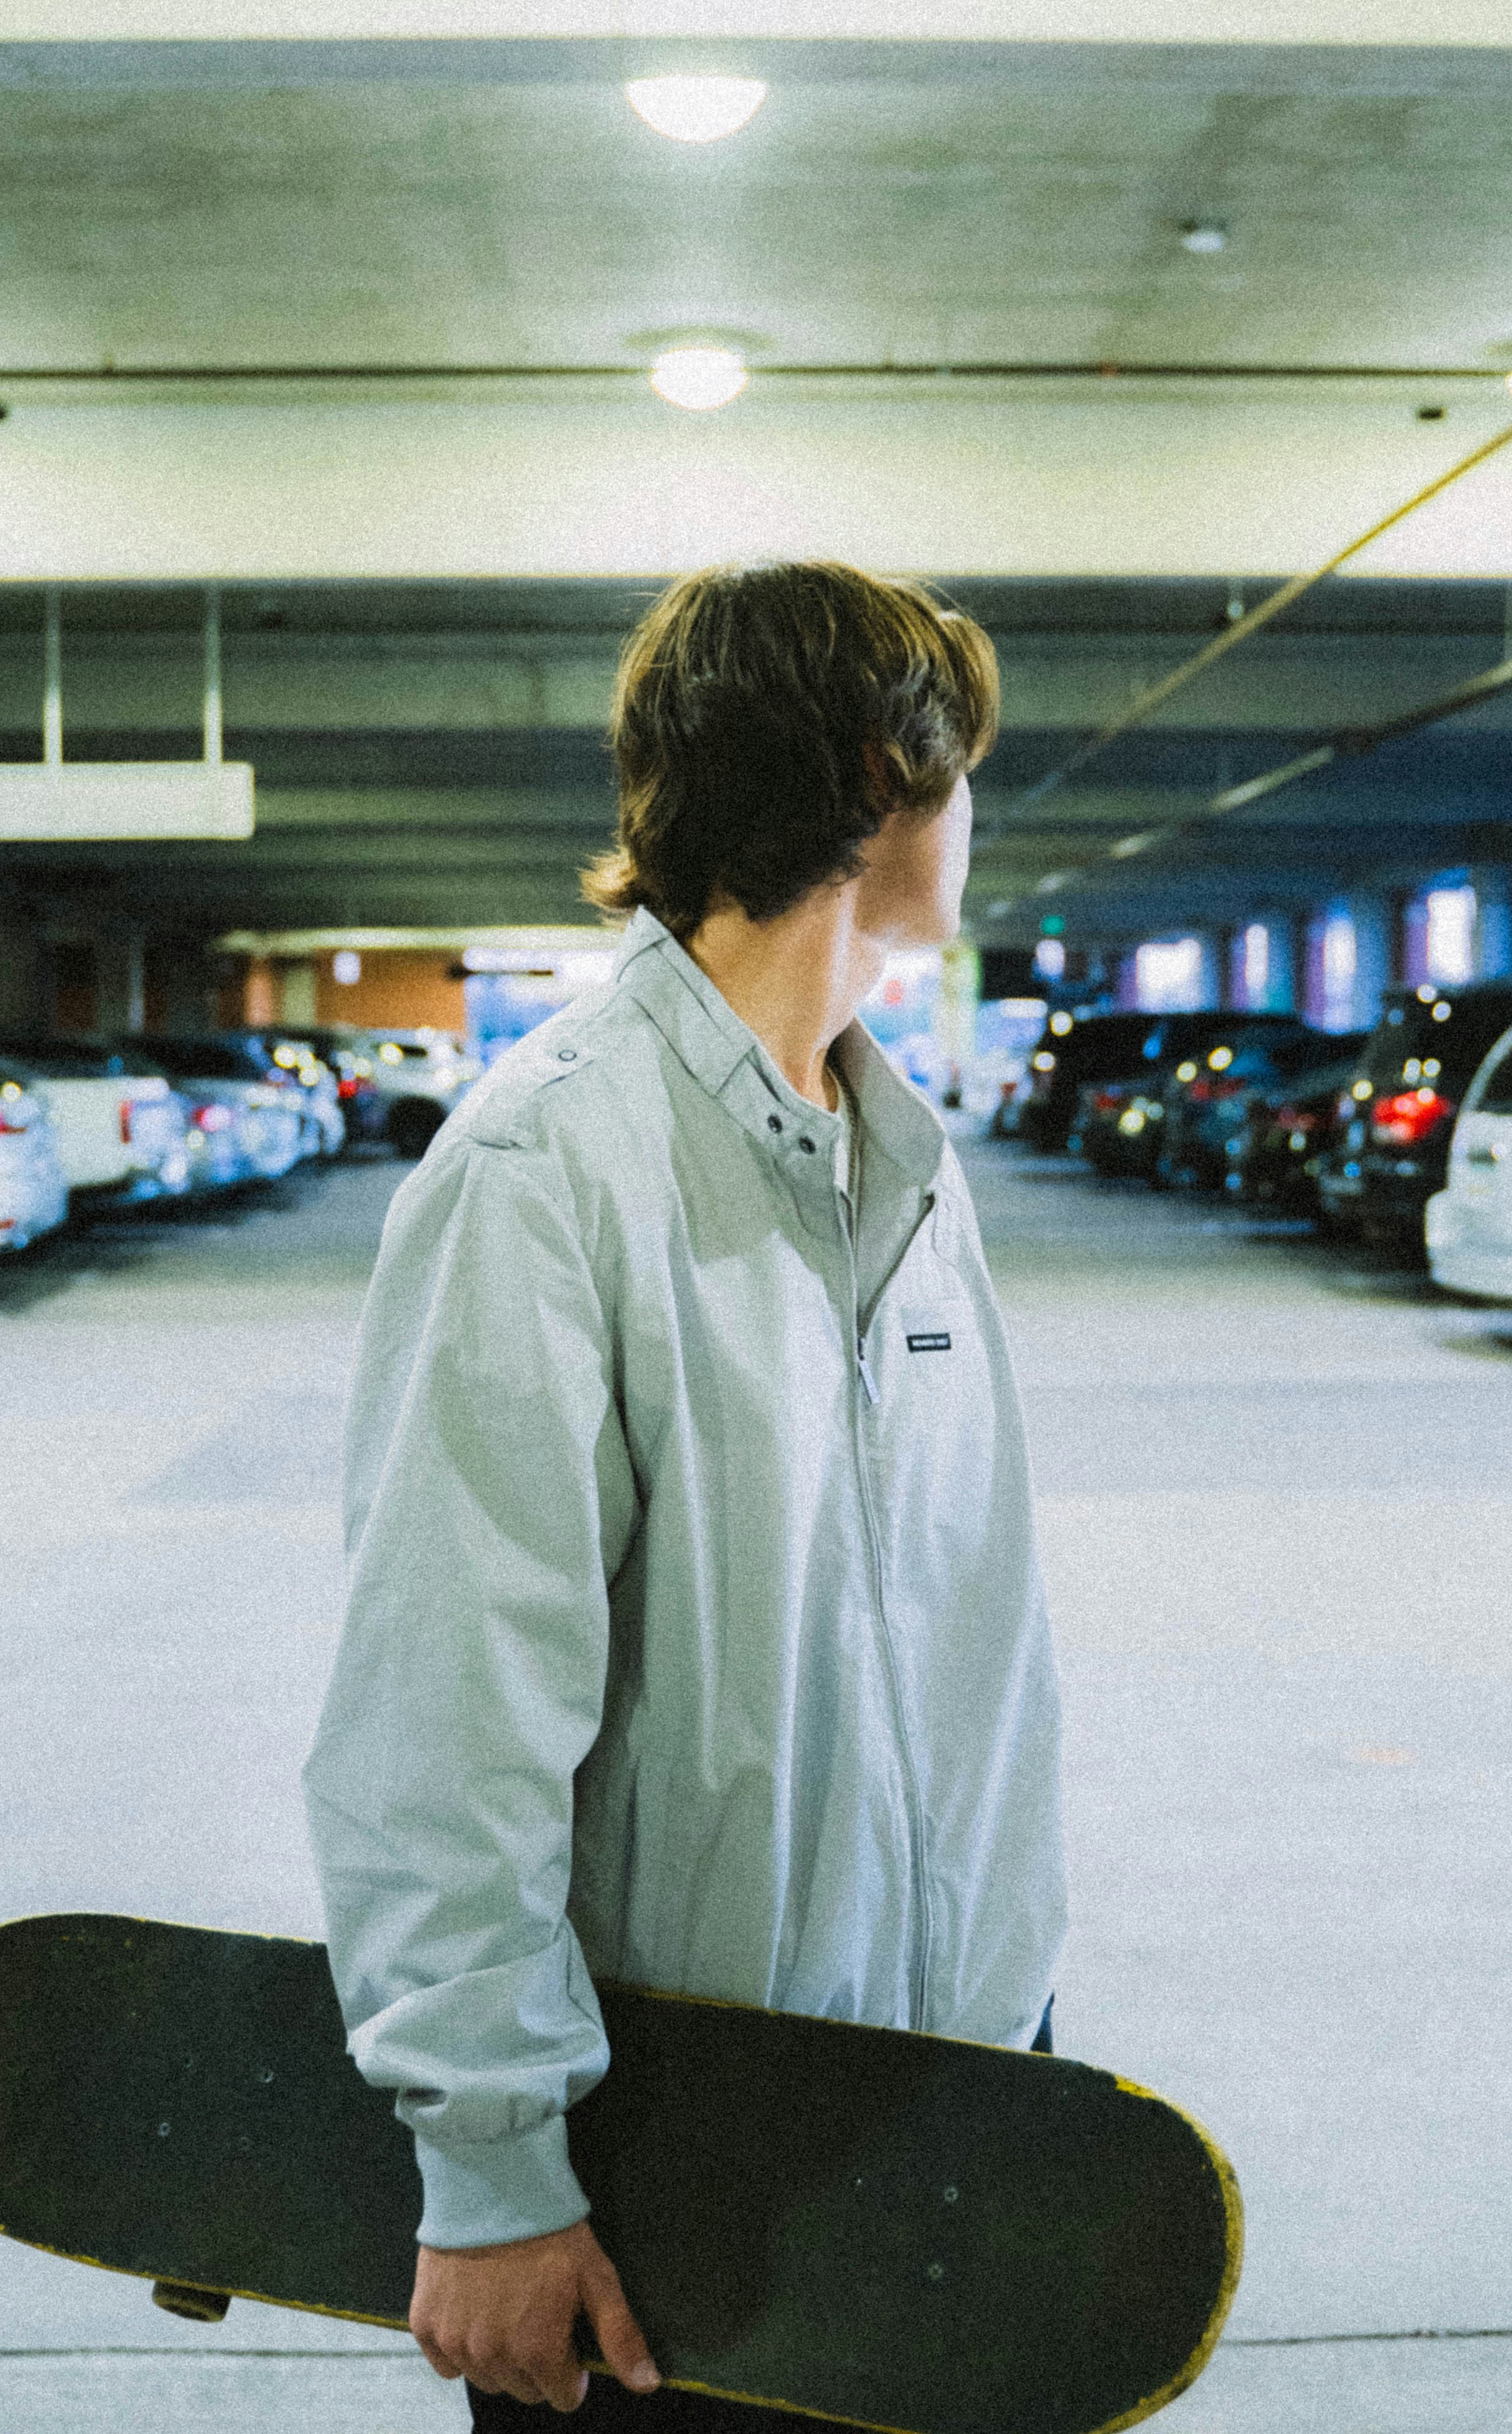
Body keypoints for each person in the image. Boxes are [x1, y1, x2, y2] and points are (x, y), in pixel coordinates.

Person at [303, 560, 1066, 2427]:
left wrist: (1019, 2023)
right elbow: (444, 1712)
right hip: (679, 2164)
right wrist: (491, 2169)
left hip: (957, 2090)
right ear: (882, 782)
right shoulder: (549, 1167)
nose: (972, 818)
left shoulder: (899, 1161)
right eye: (959, 770)